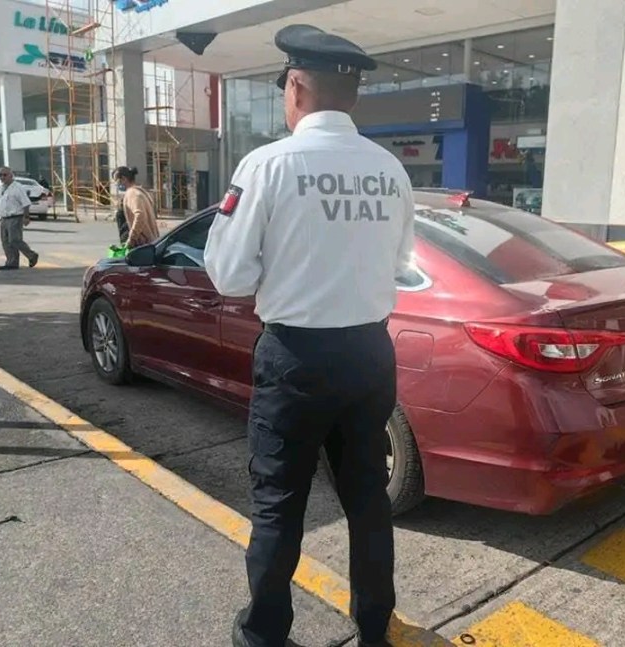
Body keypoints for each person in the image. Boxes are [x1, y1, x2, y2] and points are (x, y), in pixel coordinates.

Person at [204, 24, 415, 647]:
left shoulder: (267, 165)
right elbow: (402, 262)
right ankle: (374, 627)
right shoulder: (389, 169)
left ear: (295, 86)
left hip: (295, 357)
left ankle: (266, 634)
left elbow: (229, 276)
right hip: (370, 354)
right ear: (352, 97)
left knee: (278, 503)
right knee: (368, 499)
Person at [0, 166, 39, 271]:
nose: (2, 177)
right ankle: (11, 262)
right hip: (4, 218)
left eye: (5, 175)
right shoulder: (1, 188)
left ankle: (31, 255)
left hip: (15, 217)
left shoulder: (17, 187)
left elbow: (26, 203)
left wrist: (26, 217)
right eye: (0, 175)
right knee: (5, 242)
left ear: (11, 175)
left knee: (15, 240)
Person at [113, 166, 159, 248]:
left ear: (123, 179)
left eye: (116, 181)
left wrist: (131, 239)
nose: (116, 184)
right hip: (148, 243)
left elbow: (140, 215)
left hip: (142, 244)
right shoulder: (139, 192)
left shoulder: (132, 194)